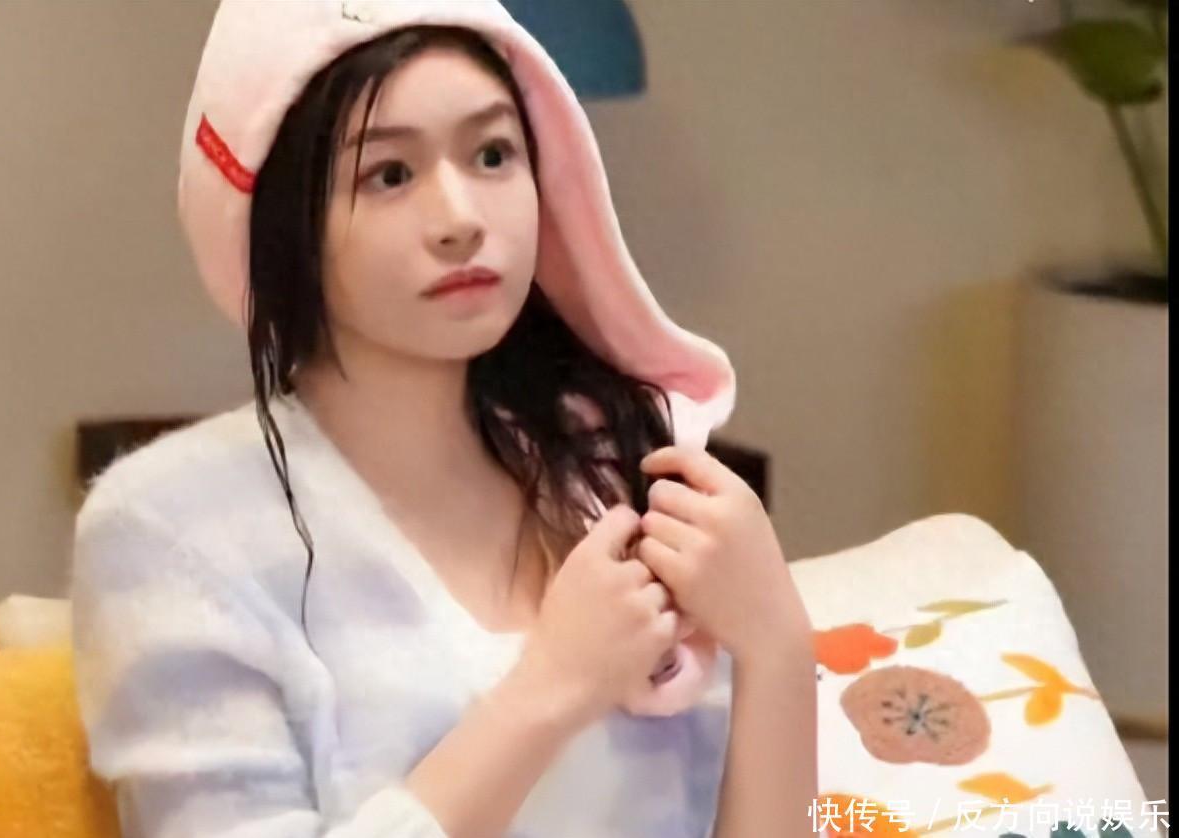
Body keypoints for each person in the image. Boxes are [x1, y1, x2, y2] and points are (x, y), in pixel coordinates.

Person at [69, 2, 818, 836]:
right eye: (389, 174)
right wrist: (553, 686)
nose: (461, 218)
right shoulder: (170, 527)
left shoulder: (610, 471)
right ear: (284, 221)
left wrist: (778, 644)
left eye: (493, 154)